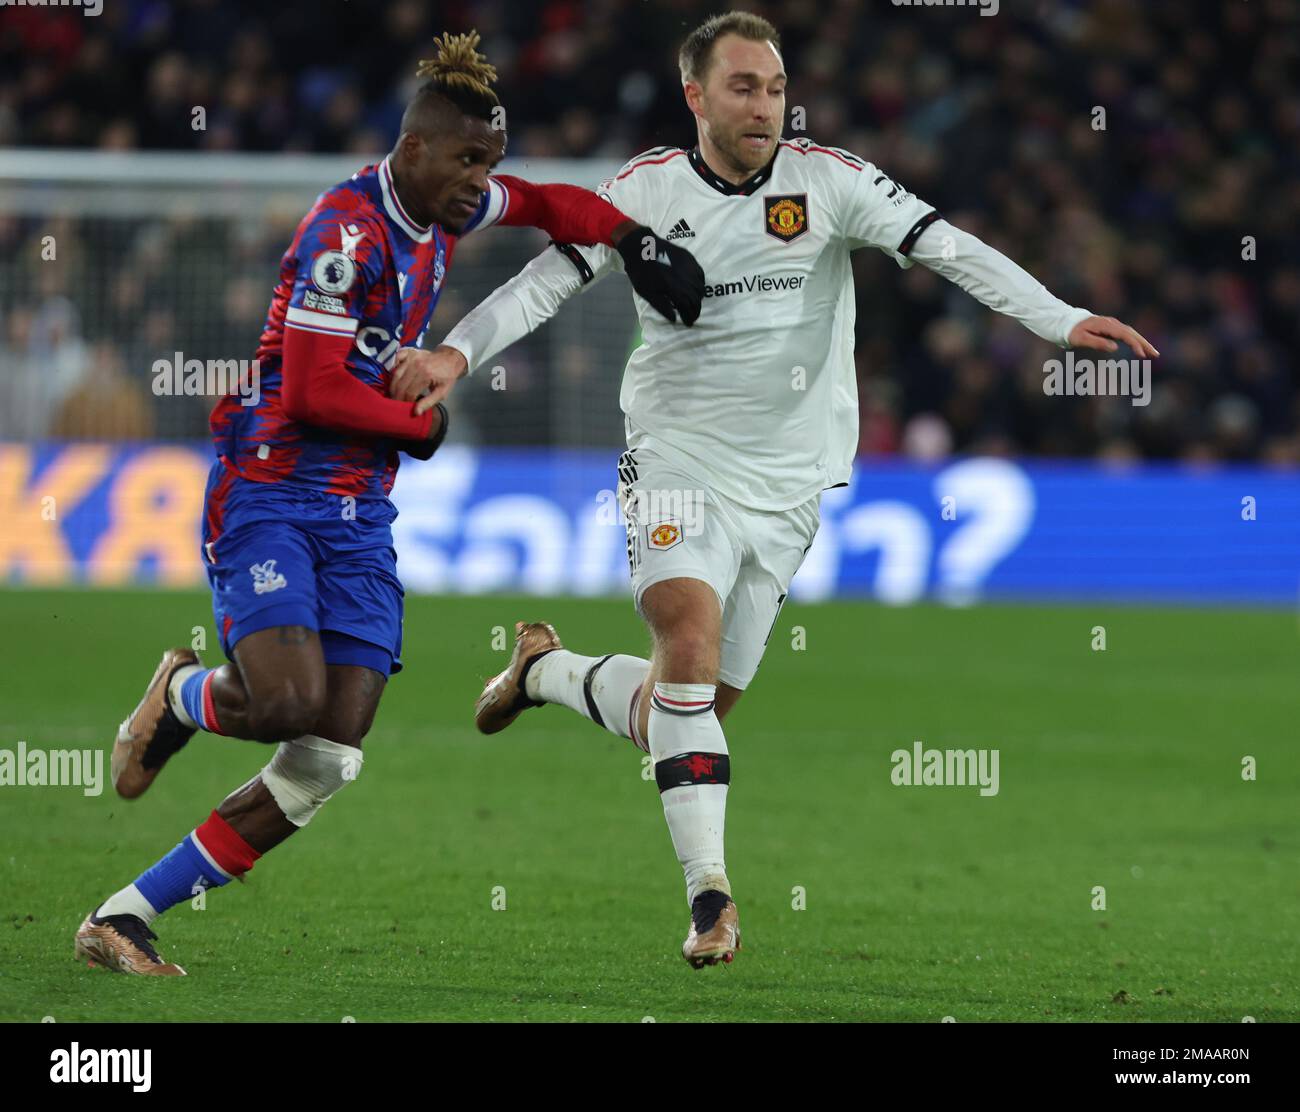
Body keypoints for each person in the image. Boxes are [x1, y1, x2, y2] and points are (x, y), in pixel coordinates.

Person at [416, 12, 1157, 968]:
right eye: (742, 86)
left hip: (791, 484)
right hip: (676, 456)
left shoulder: (832, 180)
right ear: (695, 96)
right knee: (685, 645)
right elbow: (545, 283)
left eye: (772, 87)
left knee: (684, 714)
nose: (764, 104)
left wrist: (1059, 320)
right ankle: (711, 900)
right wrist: (455, 351)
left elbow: (949, 247)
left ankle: (546, 674)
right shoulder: (644, 191)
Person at [74, 31, 704, 976]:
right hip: (271, 491)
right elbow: (310, 389)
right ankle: (182, 695)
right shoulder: (346, 230)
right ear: (412, 151)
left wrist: (629, 238)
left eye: (486, 162)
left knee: (329, 754)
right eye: (464, 161)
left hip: (359, 511)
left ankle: (125, 916)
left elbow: (547, 205)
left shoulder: (446, 204)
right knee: (286, 700)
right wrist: (421, 424)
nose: (479, 182)